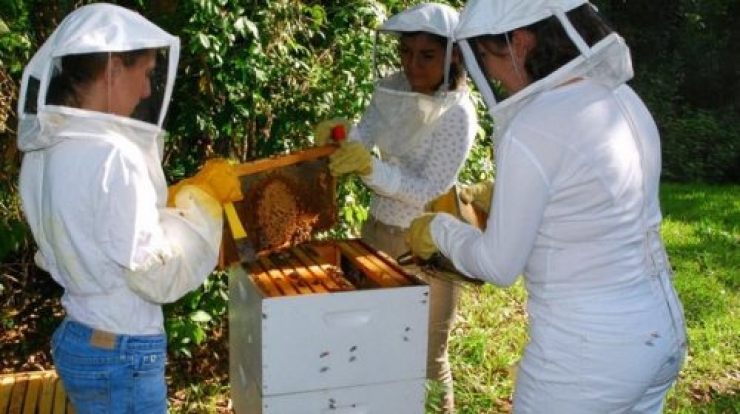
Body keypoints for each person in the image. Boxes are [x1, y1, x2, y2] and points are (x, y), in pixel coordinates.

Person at [407, 1, 688, 412]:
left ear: (519, 43)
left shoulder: (533, 125)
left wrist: (438, 230)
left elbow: (498, 265)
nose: (496, 78)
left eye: (486, 57)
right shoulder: (624, 99)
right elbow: (589, 208)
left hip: (586, 355)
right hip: (659, 335)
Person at [16, 3, 241, 413]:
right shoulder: (112, 155)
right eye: (146, 74)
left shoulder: (45, 148)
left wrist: (173, 205)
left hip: (81, 335)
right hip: (121, 350)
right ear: (114, 69)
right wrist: (200, 206)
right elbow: (153, 272)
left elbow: (99, 229)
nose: (147, 91)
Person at [315, 3, 477, 412]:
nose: (412, 65)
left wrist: (371, 169)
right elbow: (366, 132)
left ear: (454, 55)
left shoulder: (458, 112)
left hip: (428, 241)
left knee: (426, 357)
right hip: (377, 231)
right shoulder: (392, 87)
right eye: (406, 52)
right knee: (374, 346)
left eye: (426, 56)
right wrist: (341, 137)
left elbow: (428, 188)